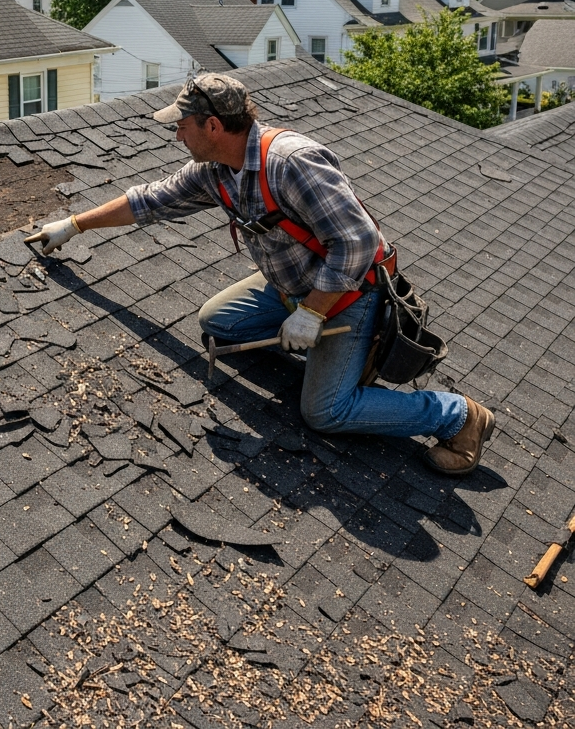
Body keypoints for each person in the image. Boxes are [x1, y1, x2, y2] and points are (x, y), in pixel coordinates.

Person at [25, 73, 494, 476]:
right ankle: (331, 360)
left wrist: (312, 314)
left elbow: (356, 243)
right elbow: (149, 200)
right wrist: (73, 225)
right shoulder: (214, 171)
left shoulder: (290, 163)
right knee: (218, 324)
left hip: (351, 296)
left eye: (183, 126)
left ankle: (456, 415)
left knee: (325, 412)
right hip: (290, 288)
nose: (177, 137)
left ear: (213, 125)